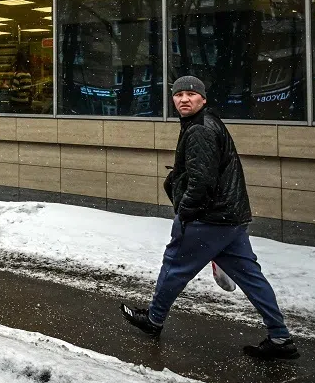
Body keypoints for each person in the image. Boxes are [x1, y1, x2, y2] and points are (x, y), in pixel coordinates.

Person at [120, 76, 299, 360]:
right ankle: (280, 337)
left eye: (191, 94)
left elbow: (202, 181)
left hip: (209, 219)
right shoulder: (205, 123)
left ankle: (153, 320)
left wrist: (186, 212)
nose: (184, 99)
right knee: (251, 277)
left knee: (174, 267)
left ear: (203, 99)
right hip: (230, 218)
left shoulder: (200, 130)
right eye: (178, 95)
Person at [9, 50, 33, 114]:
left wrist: (7, 87)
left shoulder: (18, 74)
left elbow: (14, 90)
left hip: (16, 103)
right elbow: (30, 89)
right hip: (25, 101)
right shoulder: (28, 74)